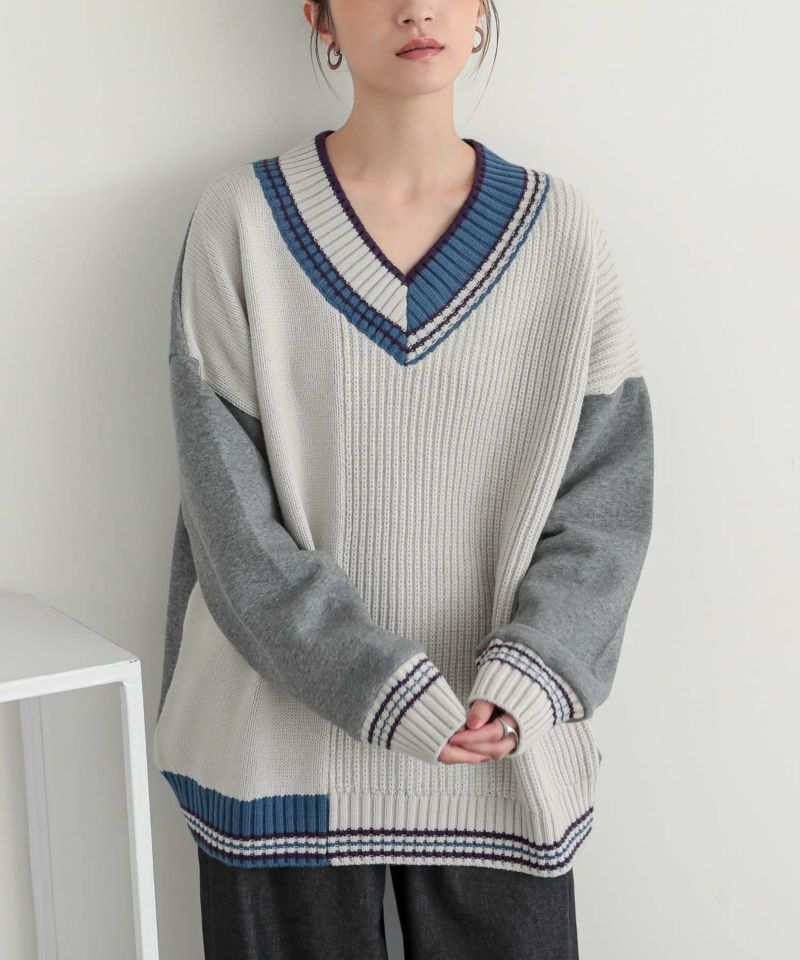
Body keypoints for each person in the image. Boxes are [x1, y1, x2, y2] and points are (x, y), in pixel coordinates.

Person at [152, 1, 654, 957]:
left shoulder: (563, 235)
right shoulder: (242, 221)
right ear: (320, 16)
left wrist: (533, 674)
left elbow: (606, 508)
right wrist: (377, 682)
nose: (417, 8)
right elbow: (231, 528)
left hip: (498, 753)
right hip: (280, 759)